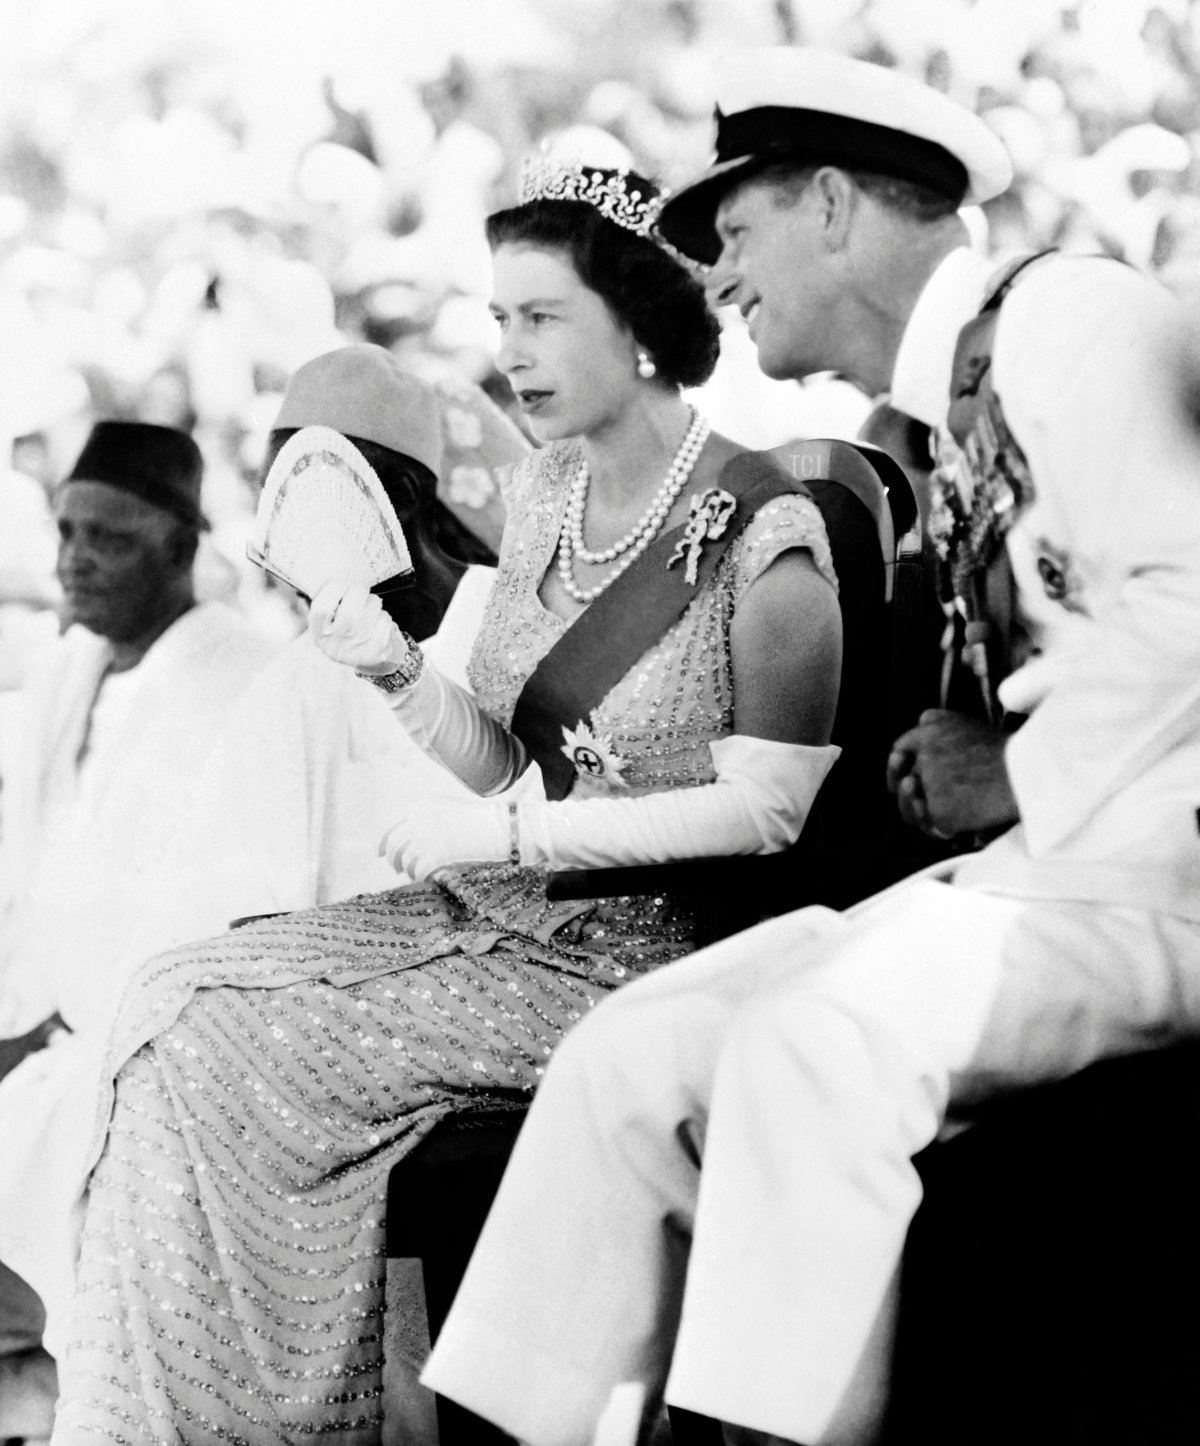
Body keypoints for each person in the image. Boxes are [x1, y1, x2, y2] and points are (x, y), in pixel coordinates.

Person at [421, 47, 1200, 1446]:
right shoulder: (937, 399)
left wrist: (1020, 765)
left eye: (736, 228)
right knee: (635, 1052)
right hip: (1051, 872)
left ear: (835, 204)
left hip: (1162, 876)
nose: (712, 273)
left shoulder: (1070, 317)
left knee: (812, 1039)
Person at [46, 158, 845, 1443]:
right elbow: (512, 755)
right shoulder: (545, 497)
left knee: (201, 1032)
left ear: (637, 324)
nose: (510, 355)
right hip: (510, 916)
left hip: (648, 956)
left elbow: (767, 815)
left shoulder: (764, 526)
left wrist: (514, 833)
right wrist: (398, 675)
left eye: (542, 318)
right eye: (499, 321)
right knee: (171, 996)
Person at [0, 420, 277, 1420]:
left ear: (179, 546)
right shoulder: (64, 673)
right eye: (66, 532)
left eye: (106, 538)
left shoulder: (239, 680)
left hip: (129, 1041)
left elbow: (199, 913)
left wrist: (43, 1034)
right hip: (33, 1026)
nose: (74, 560)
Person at [126, 345, 528, 954]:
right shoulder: (294, 678)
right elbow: (216, 895)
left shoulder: (515, 619)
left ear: (408, 496)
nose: (289, 518)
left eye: (316, 488)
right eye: (276, 490)